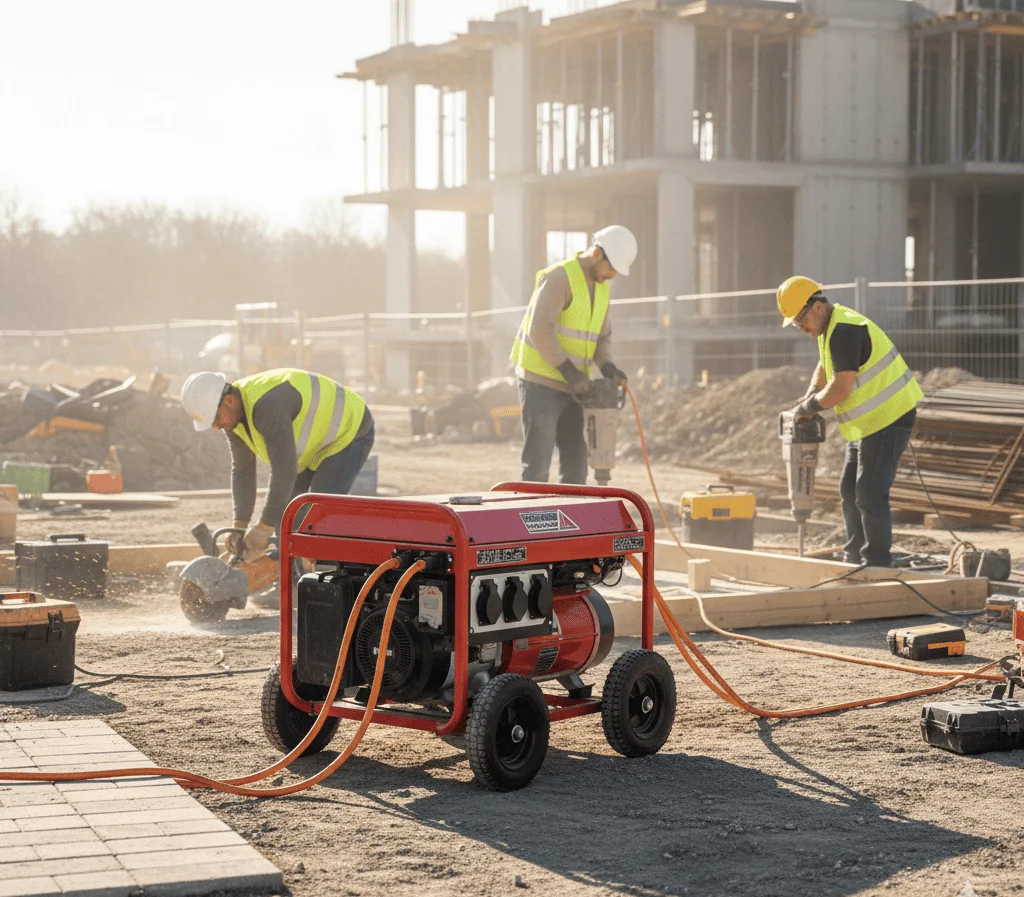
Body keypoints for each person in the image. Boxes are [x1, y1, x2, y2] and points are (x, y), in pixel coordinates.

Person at [778, 276, 923, 568]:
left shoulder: (845, 329)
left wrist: (808, 407)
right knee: (849, 488)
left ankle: (877, 563)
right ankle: (854, 556)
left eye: (801, 320)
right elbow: (825, 366)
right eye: (796, 324)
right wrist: (808, 395)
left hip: (889, 416)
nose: (803, 329)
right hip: (867, 423)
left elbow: (840, 389)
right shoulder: (831, 328)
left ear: (817, 306)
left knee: (870, 491)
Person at [180, 368, 374, 559]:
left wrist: (264, 527)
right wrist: (239, 525)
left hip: (348, 430)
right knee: (287, 517)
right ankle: (291, 578)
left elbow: (284, 470)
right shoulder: (233, 417)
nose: (215, 427)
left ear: (228, 401)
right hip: (316, 442)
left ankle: (337, 570)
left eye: (214, 419)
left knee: (318, 512)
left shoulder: (267, 406)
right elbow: (242, 469)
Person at [509, 225, 636, 484]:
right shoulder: (560, 278)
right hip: (541, 382)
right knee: (537, 468)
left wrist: (608, 366)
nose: (611, 276)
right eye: (611, 270)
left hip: (575, 388)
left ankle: (572, 522)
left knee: (577, 468)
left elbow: (602, 338)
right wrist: (569, 371)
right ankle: (531, 521)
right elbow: (539, 330)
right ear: (597, 254)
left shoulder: (601, 289)